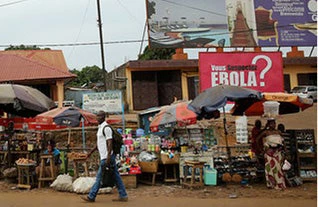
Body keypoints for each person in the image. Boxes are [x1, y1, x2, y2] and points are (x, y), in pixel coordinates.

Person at [81, 110, 128, 202]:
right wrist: (90, 153)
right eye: (97, 116)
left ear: (103, 117)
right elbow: (99, 144)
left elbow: (109, 143)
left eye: (99, 116)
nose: (97, 118)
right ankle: (123, 195)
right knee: (116, 176)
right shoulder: (100, 128)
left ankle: (91, 196)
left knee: (99, 177)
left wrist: (108, 157)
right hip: (105, 156)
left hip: (107, 157)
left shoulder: (106, 128)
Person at [256, 118, 286, 190]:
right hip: (269, 153)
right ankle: (271, 184)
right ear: (269, 124)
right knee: (270, 169)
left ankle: (279, 183)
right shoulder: (266, 132)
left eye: (274, 123)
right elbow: (257, 139)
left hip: (277, 153)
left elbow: (283, 141)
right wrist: (261, 150)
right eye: (272, 123)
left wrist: (285, 149)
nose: (273, 125)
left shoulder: (278, 132)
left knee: (278, 168)